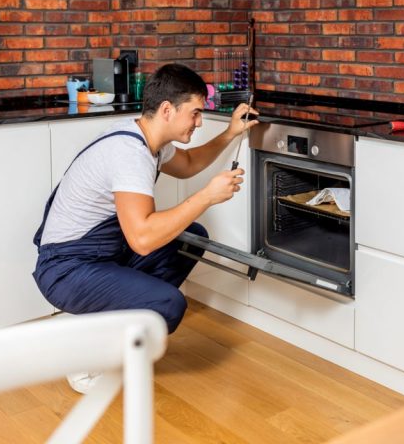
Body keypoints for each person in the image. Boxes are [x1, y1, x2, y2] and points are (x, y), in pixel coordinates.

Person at [32, 64, 258, 390]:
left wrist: (231, 133)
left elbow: (190, 163)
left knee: (191, 238)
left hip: (100, 256)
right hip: (66, 269)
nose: (199, 122)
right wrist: (207, 196)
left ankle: (99, 321)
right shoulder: (130, 153)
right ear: (167, 110)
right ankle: (89, 353)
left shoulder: (147, 137)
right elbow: (141, 239)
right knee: (168, 305)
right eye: (194, 113)